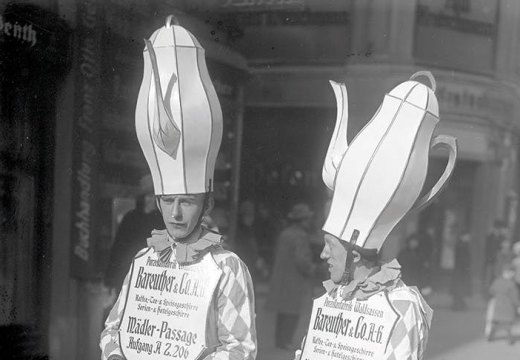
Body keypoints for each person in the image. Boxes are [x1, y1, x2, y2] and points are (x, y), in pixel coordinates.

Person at [100, 16, 256, 360]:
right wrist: (115, 354)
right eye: (168, 200)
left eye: (187, 201)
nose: (175, 213)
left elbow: (240, 349)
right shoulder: (144, 261)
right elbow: (113, 329)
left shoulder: (226, 268)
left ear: (207, 203)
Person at [266, 203, 317, 350]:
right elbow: (302, 260)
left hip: (282, 276)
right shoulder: (300, 236)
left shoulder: (285, 233)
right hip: (295, 279)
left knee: (283, 312)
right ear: (303, 220)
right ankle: (286, 341)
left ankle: (279, 340)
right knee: (293, 311)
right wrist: (312, 269)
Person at [104, 174, 164, 294]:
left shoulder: (162, 221)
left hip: (152, 277)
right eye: (147, 196)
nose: (150, 199)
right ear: (142, 198)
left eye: (153, 196)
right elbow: (118, 248)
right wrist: (110, 279)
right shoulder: (130, 217)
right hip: (127, 273)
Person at [486, 264, 520, 345]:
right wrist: (518, 305)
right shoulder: (512, 284)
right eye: (513, 273)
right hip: (508, 308)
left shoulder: (497, 281)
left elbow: (491, 291)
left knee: (495, 323)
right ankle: (509, 338)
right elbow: (514, 297)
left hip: (498, 306)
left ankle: (490, 336)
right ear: (510, 273)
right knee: (508, 325)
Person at [451, 231, 472, 311]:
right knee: (460, 288)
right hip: (461, 270)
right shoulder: (462, 245)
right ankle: (458, 305)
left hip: (460, 270)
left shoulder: (461, 245)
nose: (469, 238)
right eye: (467, 236)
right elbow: (462, 259)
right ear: (463, 236)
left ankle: (458, 305)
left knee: (459, 288)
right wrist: (466, 268)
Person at [484, 219, 508, 289]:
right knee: (488, 276)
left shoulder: (502, 237)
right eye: (497, 228)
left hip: (498, 261)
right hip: (491, 260)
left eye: (499, 228)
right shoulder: (490, 237)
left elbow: (502, 249)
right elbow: (488, 249)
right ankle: (487, 292)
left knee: (496, 276)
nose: (498, 230)